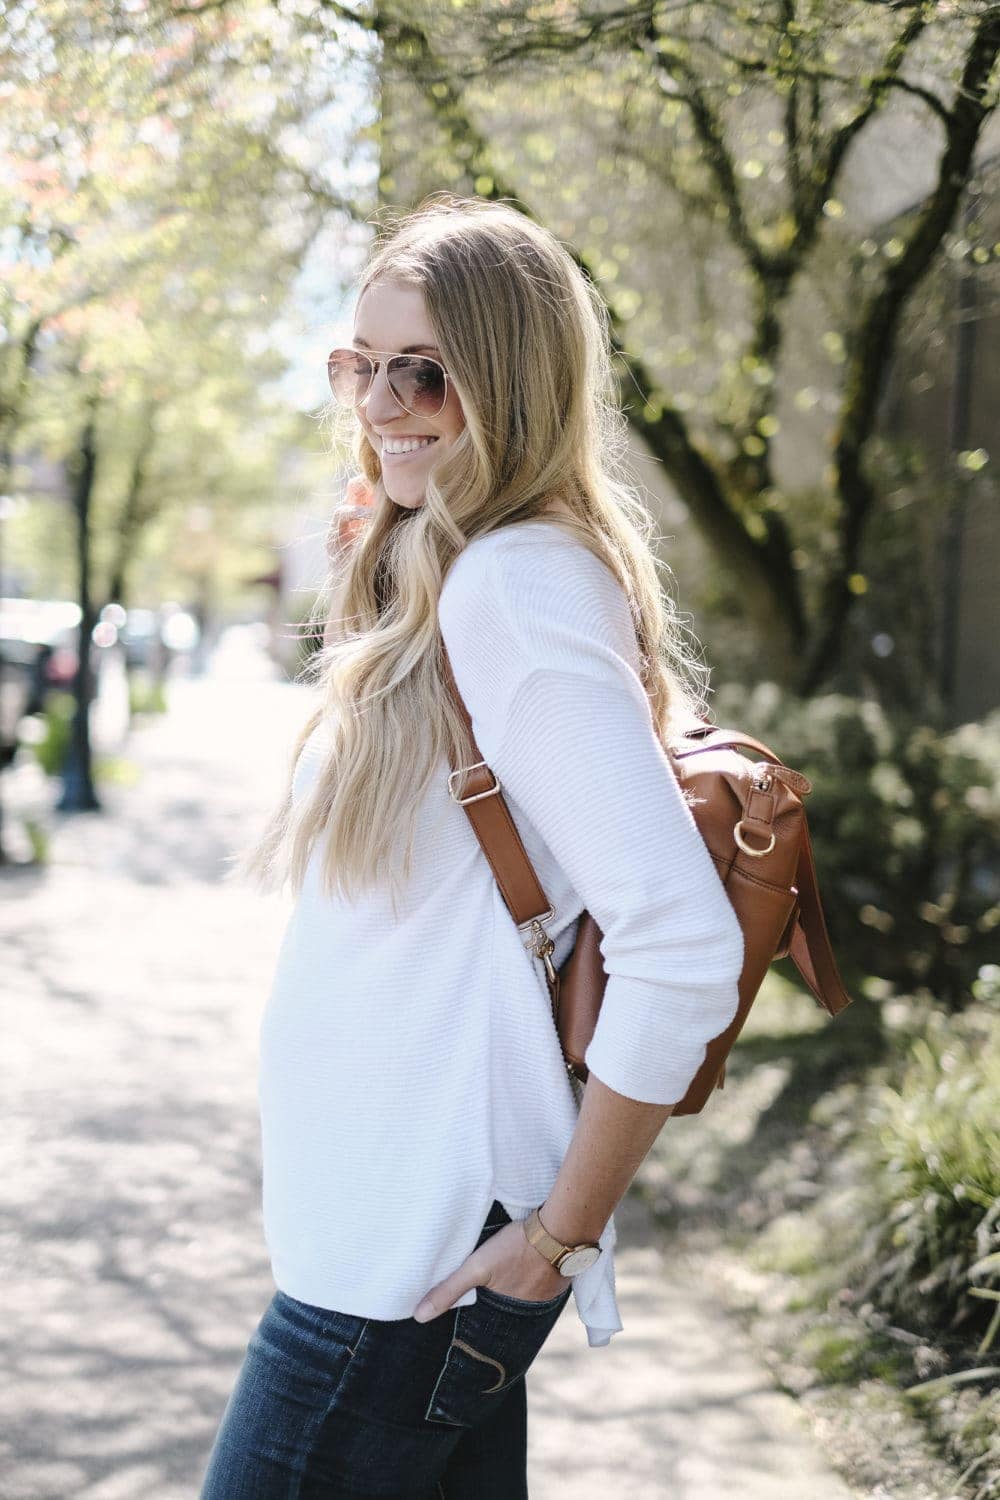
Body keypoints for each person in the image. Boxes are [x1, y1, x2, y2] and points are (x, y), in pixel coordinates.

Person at [199, 194, 744, 1499]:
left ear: (507, 380)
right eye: (362, 364)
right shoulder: (458, 573)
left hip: (408, 1270)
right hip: (389, 1247)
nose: (382, 403)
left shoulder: (514, 585)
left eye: (423, 372)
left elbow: (682, 947)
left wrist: (561, 1238)